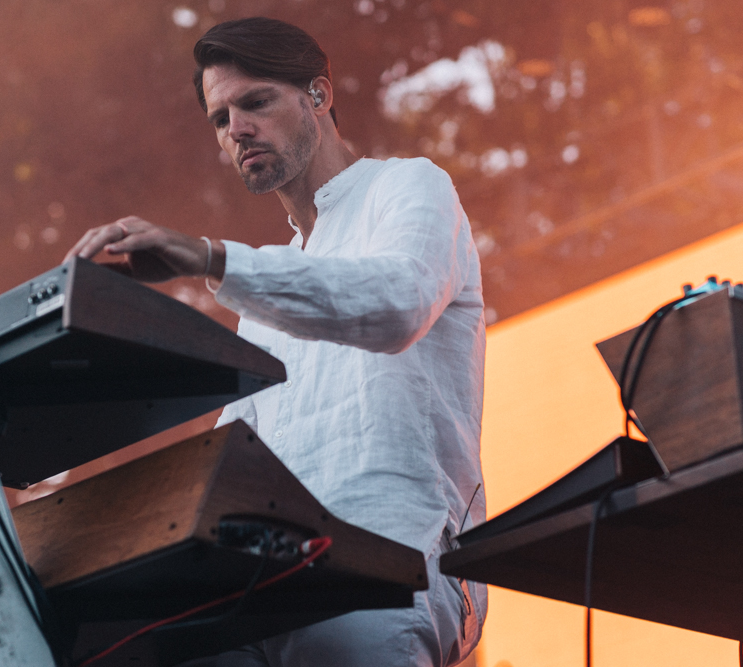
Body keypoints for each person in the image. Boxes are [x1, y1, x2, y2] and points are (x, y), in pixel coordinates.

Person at [64, 16, 486, 667]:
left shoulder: (409, 186)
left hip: (395, 572)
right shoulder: (262, 297)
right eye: (219, 117)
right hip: (263, 596)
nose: (236, 130)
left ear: (318, 95)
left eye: (255, 101)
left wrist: (206, 257)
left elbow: (396, 304)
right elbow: (228, 467)